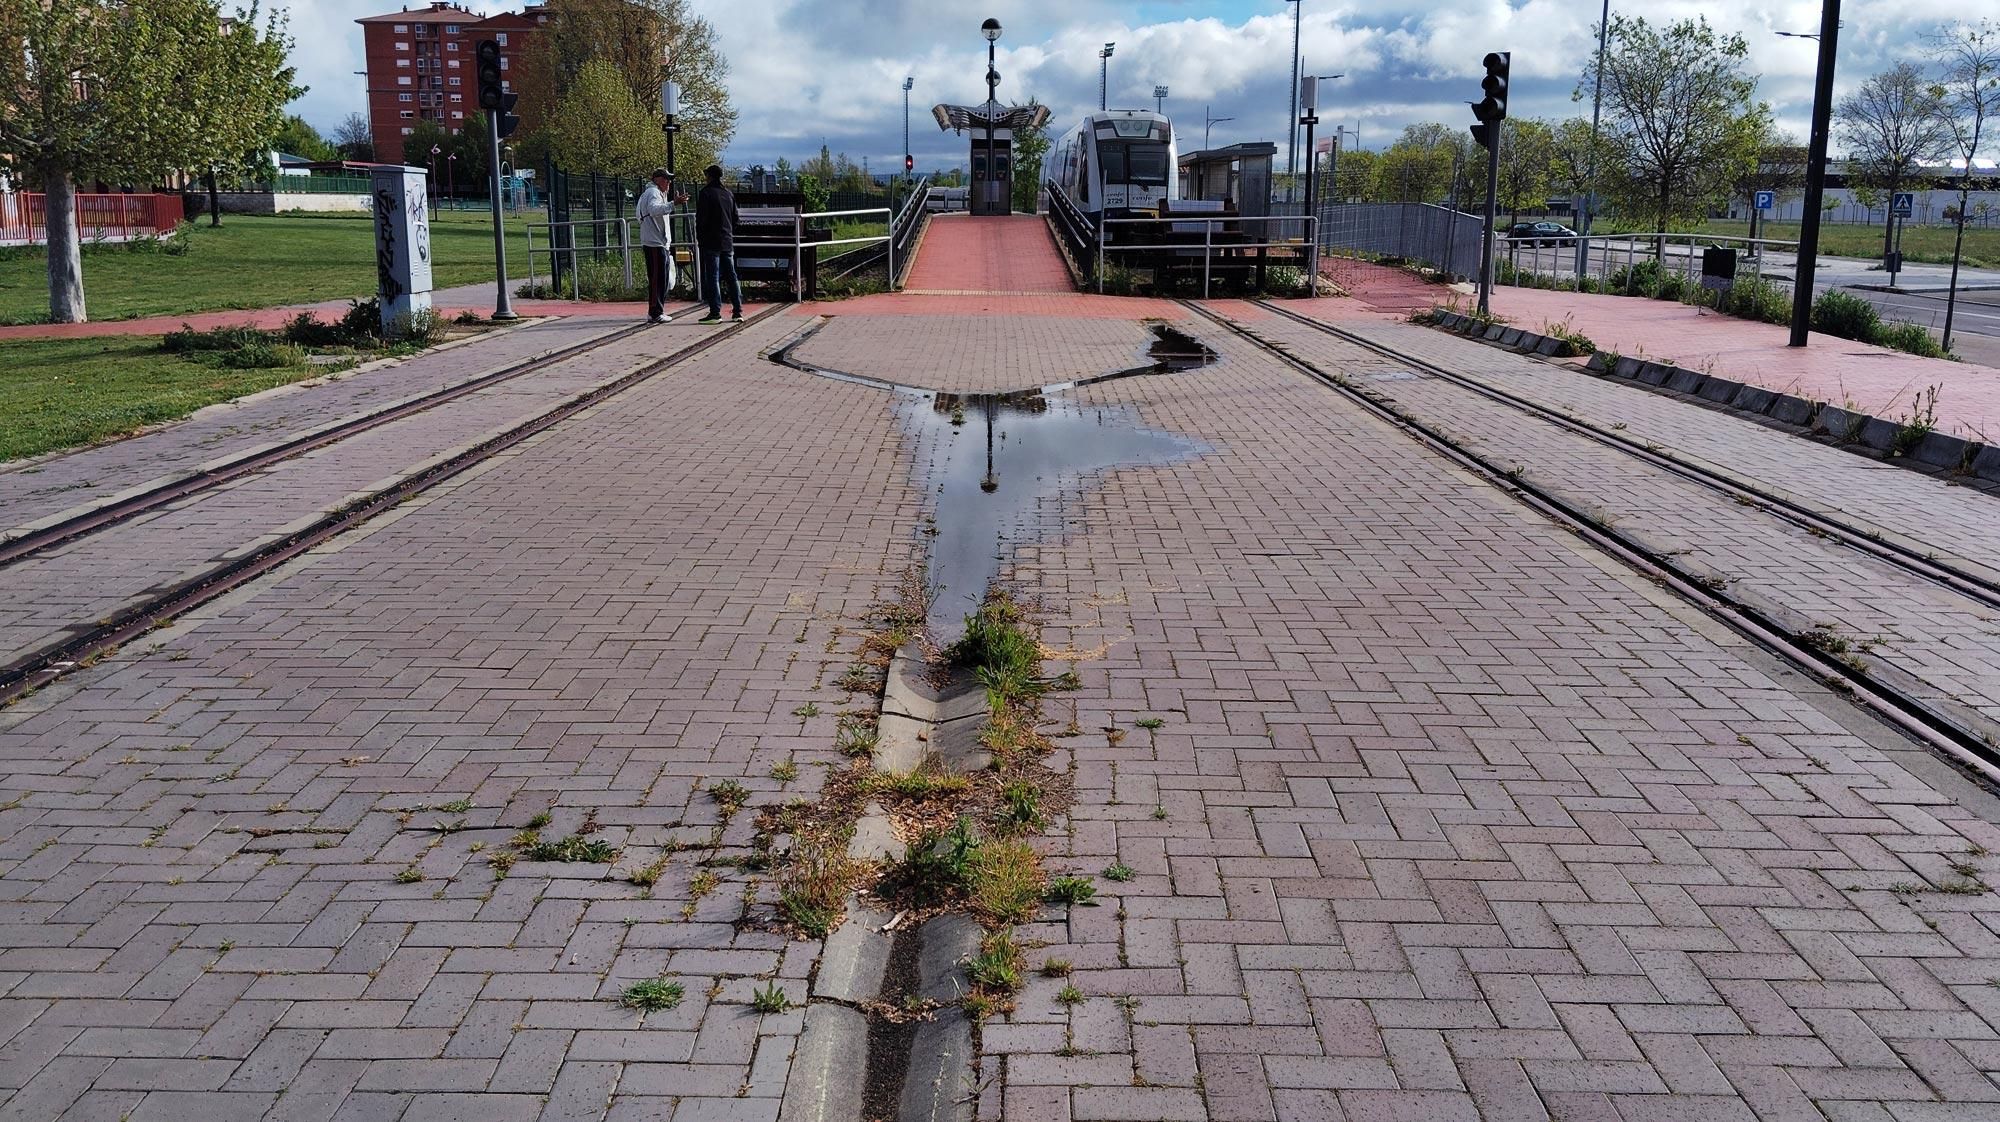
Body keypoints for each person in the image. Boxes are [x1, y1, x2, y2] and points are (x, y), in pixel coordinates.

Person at [695, 164, 743, 324]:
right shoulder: (728, 194)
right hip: (727, 240)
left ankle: (715, 312)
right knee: (731, 276)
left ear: (709, 176)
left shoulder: (706, 193)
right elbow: (736, 218)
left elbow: (701, 220)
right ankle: (738, 311)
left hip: (711, 242)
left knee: (713, 277)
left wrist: (700, 238)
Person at [636, 168, 676, 323]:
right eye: (666, 179)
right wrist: (673, 204)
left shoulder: (655, 193)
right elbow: (653, 210)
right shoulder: (653, 193)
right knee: (658, 278)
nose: (669, 182)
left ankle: (657, 310)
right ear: (657, 179)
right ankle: (655, 312)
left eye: (669, 179)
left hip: (657, 242)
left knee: (661, 278)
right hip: (654, 242)